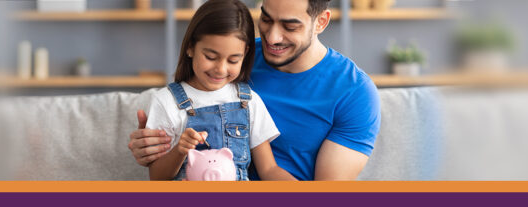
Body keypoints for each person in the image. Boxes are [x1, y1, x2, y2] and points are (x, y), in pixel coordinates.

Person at [129, 0, 380, 180]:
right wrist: (154, 147)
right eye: (266, 19)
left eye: (290, 26)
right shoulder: (235, 53)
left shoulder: (355, 92)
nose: (272, 38)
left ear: (321, 22)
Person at [145, 0, 296, 181]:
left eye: (233, 60)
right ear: (190, 47)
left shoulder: (249, 101)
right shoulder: (166, 102)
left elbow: (269, 170)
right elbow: (157, 178)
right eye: (210, 56)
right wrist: (180, 150)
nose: (220, 69)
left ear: (245, 54)